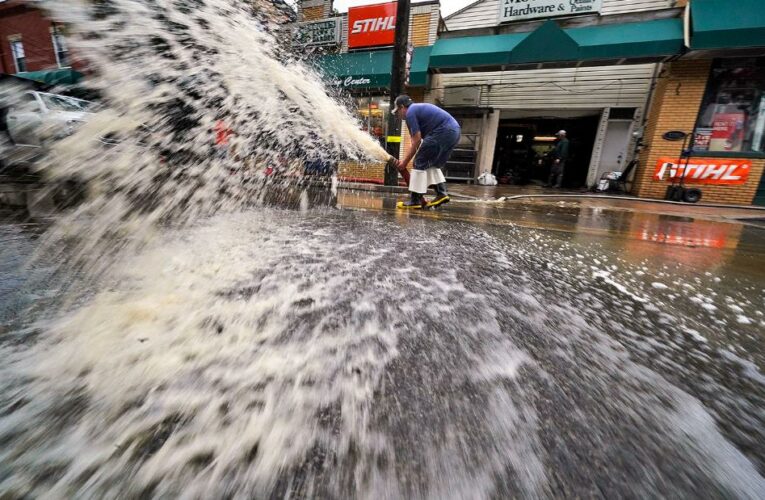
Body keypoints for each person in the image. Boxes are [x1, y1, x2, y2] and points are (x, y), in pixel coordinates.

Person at [394, 95, 461, 209]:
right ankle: (442, 193)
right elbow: (417, 141)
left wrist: (404, 162)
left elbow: (417, 141)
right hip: (455, 132)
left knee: (419, 162)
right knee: (431, 164)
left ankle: (415, 200)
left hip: (443, 131)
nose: (398, 115)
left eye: (398, 112)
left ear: (402, 107)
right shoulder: (418, 109)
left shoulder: (411, 112)